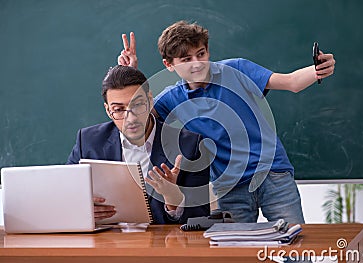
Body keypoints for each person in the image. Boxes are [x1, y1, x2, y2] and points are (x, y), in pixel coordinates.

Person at [117, 21, 336, 224]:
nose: (197, 63)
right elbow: (139, 119)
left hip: (272, 174)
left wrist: (318, 70)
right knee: (236, 256)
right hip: (229, 187)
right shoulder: (170, 99)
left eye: (201, 54)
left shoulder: (237, 70)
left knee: (295, 249)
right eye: (186, 59)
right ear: (169, 65)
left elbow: (291, 82)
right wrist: (131, 73)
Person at [67, 65, 210, 224]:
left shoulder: (189, 145)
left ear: (149, 100)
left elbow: (200, 218)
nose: (131, 118)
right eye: (119, 109)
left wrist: (174, 199)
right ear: (108, 110)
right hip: (107, 243)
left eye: (137, 105)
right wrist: (82, 207)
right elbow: (67, 196)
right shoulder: (88, 141)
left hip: (163, 246)